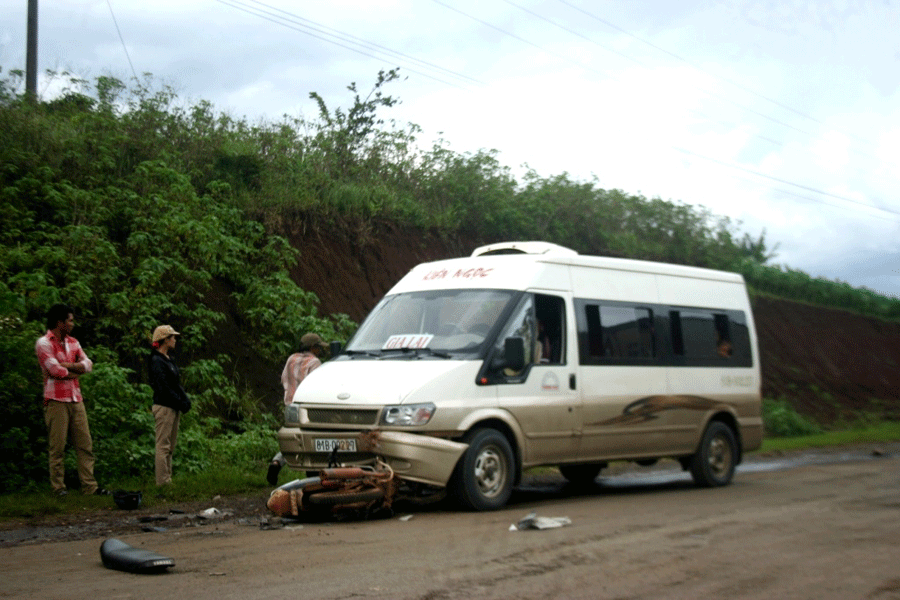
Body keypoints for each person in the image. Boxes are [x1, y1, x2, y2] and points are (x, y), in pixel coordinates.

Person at [35, 303, 108, 496]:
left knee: (85, 445)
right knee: (57, 447)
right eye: (70, 320)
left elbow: (88, 365)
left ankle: (90, 486)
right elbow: (54, 370)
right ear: (60, 322)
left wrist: (67, 366)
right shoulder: (44, 343)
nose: (72, 324)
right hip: (55, 399)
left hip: (76, 398)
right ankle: (58, 488)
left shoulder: (73, 342)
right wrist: (75, 370)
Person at [267, 332, 328, 485]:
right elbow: (317, 386)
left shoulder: (291, 359)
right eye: (319, 347)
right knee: (310, 439)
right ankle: (313, 474)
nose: (320, 350)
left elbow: (284, 379)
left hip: (290, 407)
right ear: (313, 347)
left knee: (293, 439)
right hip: (307, 408)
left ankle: (276, 462)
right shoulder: (315, 362)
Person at [148, 325, 191, 488]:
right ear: (165, 339)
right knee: (163, 446)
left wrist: (184, 399)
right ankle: (162, 482)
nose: (175, 340)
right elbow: (163, 387)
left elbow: (175, 384)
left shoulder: (168, 360)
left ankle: (168, 479)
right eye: (172, 337)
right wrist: (179, 401)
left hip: (173, 407)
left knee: (170, 446)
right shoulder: (156, 361)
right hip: (164, 406)